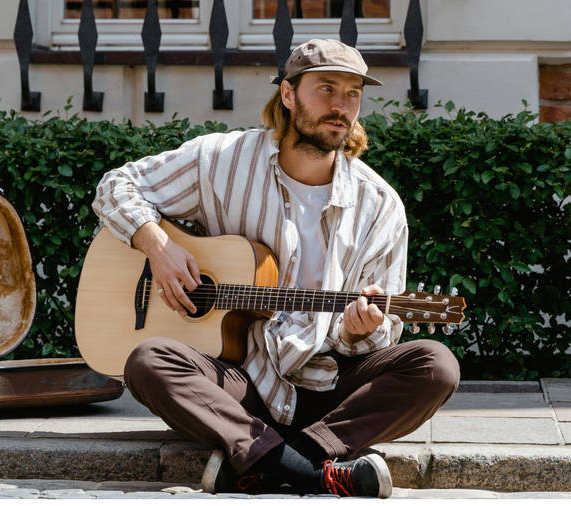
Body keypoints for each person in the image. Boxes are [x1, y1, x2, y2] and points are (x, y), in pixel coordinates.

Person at [91, 39, 460, 498]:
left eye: (351, 94)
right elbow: (116, 186)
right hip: (240, 381)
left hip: (330, 389)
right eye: (326, 89)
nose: (340, 105)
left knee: (436, 365)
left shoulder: (379, 205)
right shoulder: (220, 161)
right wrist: (159, 246)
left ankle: (263, 459)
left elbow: (384, 333)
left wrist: (356, 331)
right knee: (149, 362)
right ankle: (312, 470)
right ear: (288, 94)